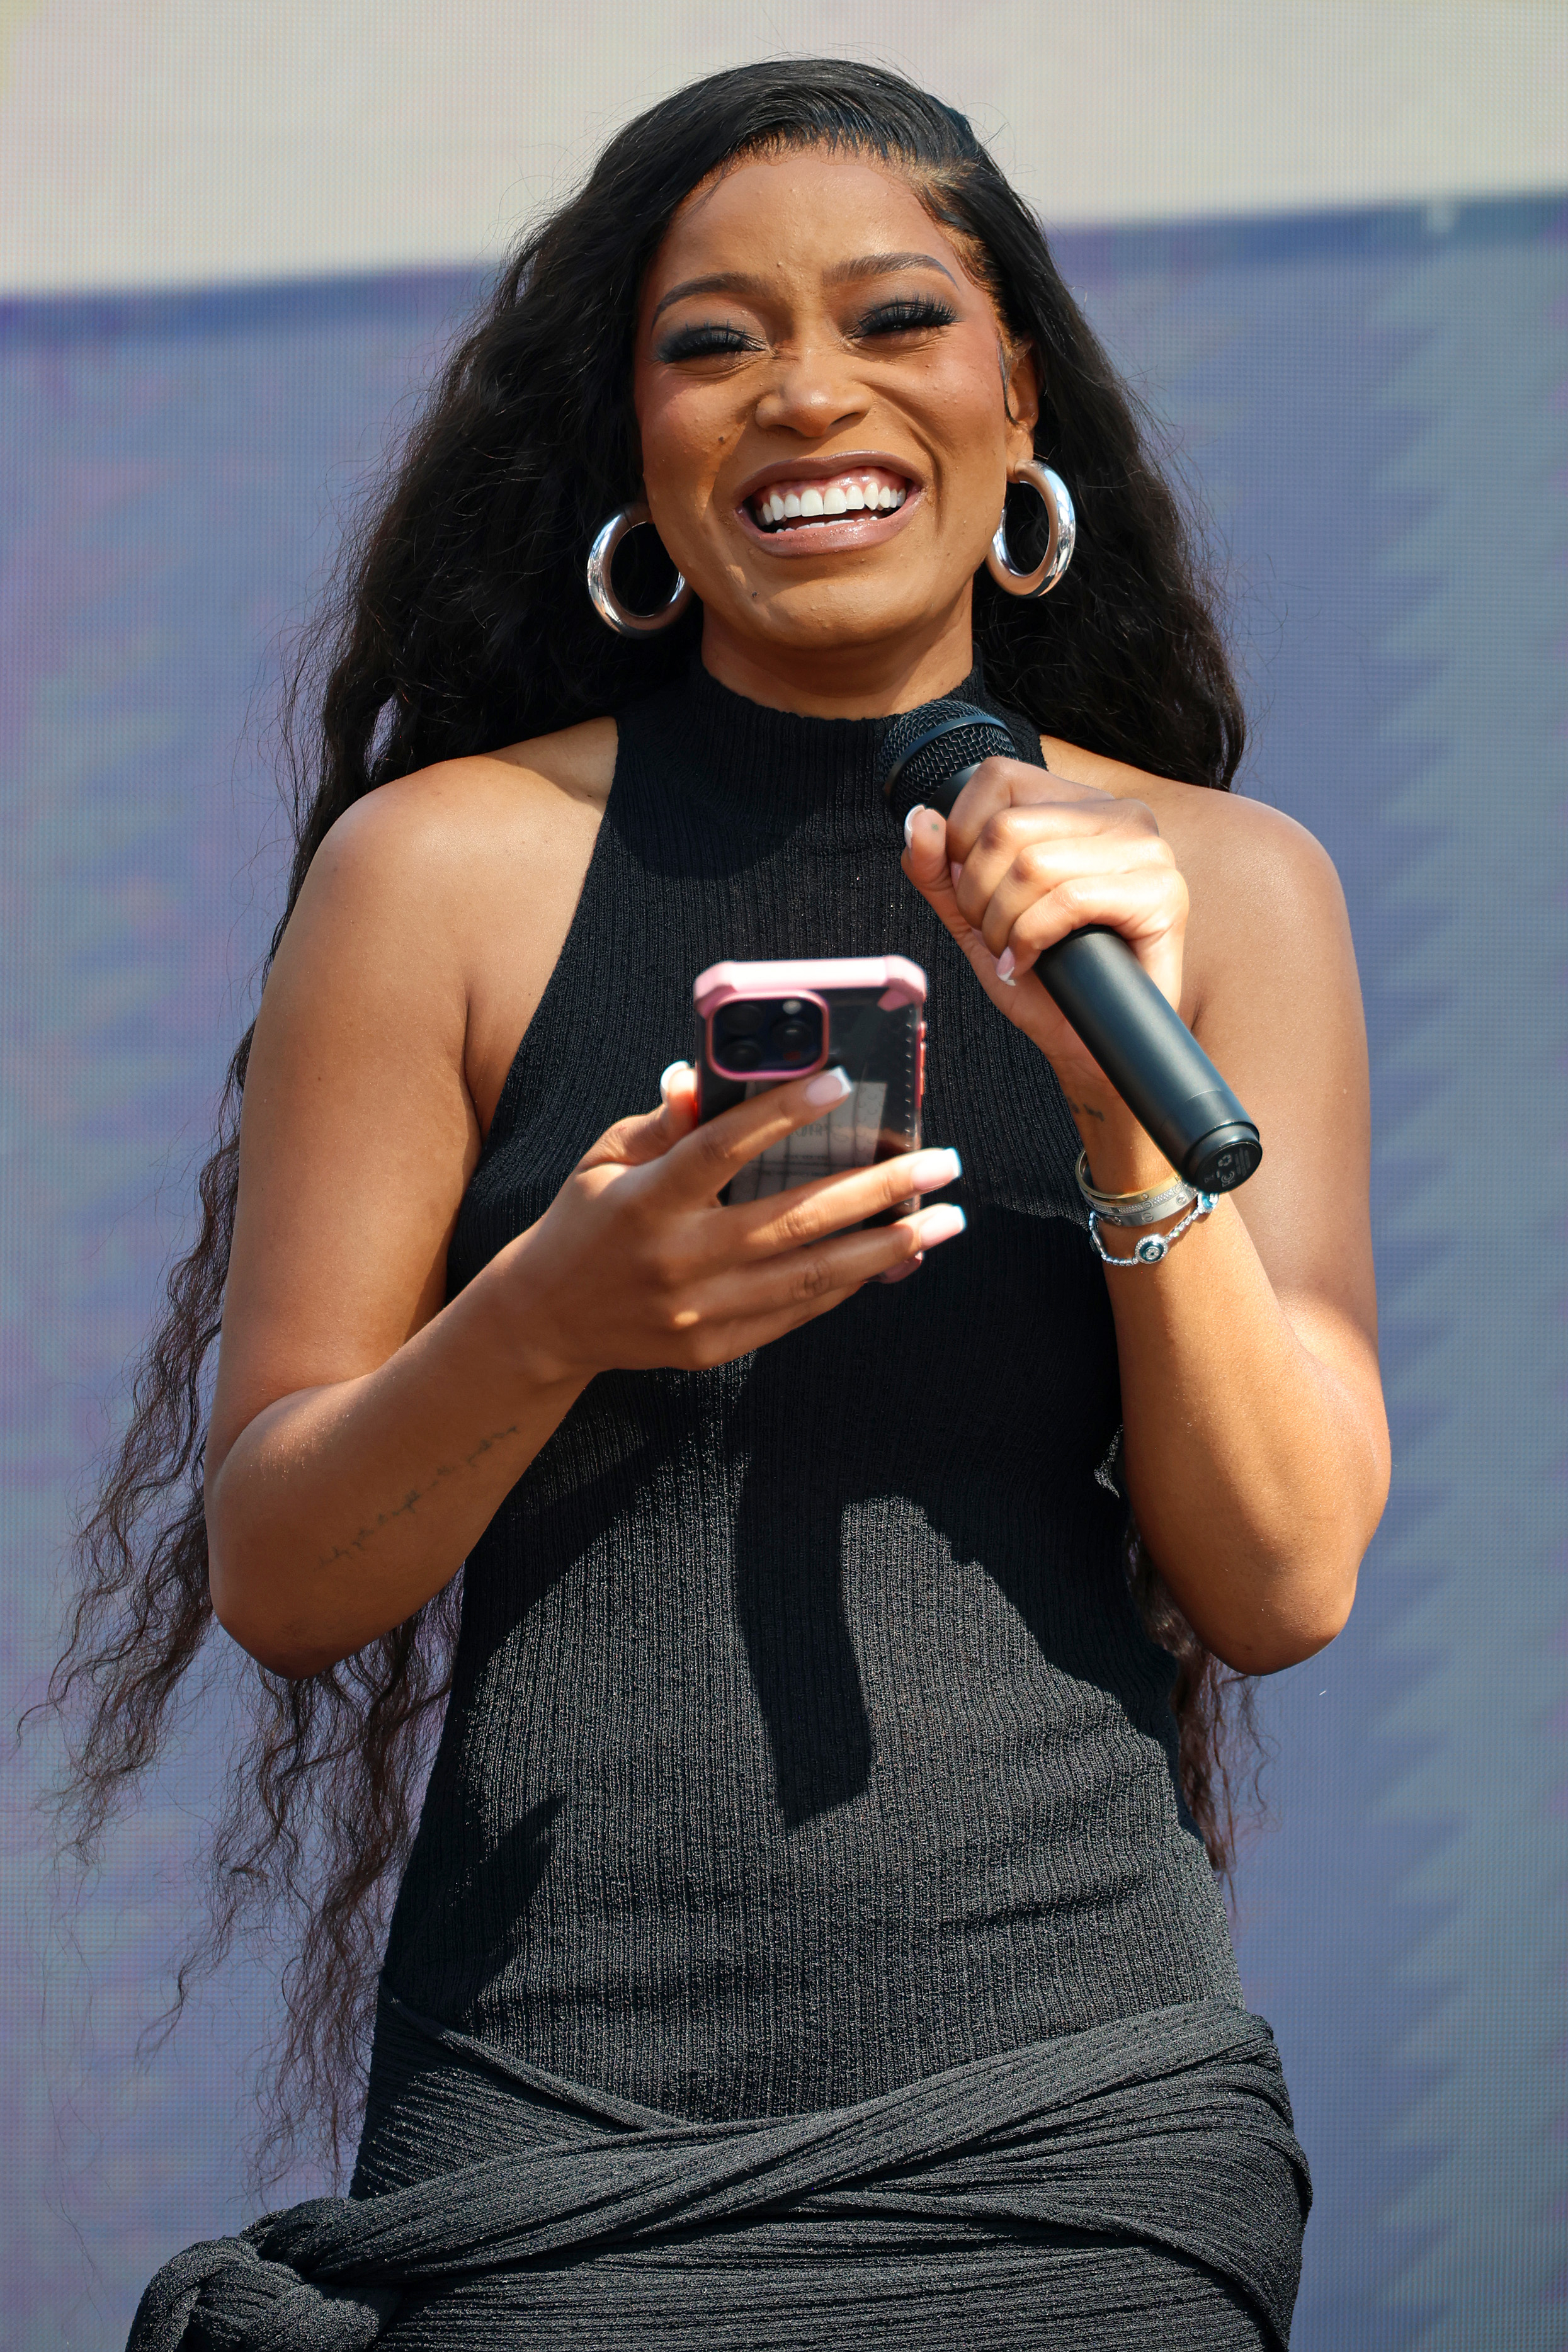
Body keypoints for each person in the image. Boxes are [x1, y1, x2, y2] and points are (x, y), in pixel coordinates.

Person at [60, 60, 1389, 2351]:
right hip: (552, 2127)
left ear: (1011, 402)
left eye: (890, 319)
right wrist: (556, 1310)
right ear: (639, 457)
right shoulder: (442, 877)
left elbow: (1279, 1579)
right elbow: (282, 1572)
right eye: (709, 341)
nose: (804, 393)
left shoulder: (1221, 892)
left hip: (1071, 2125)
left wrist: (1109, 1111)